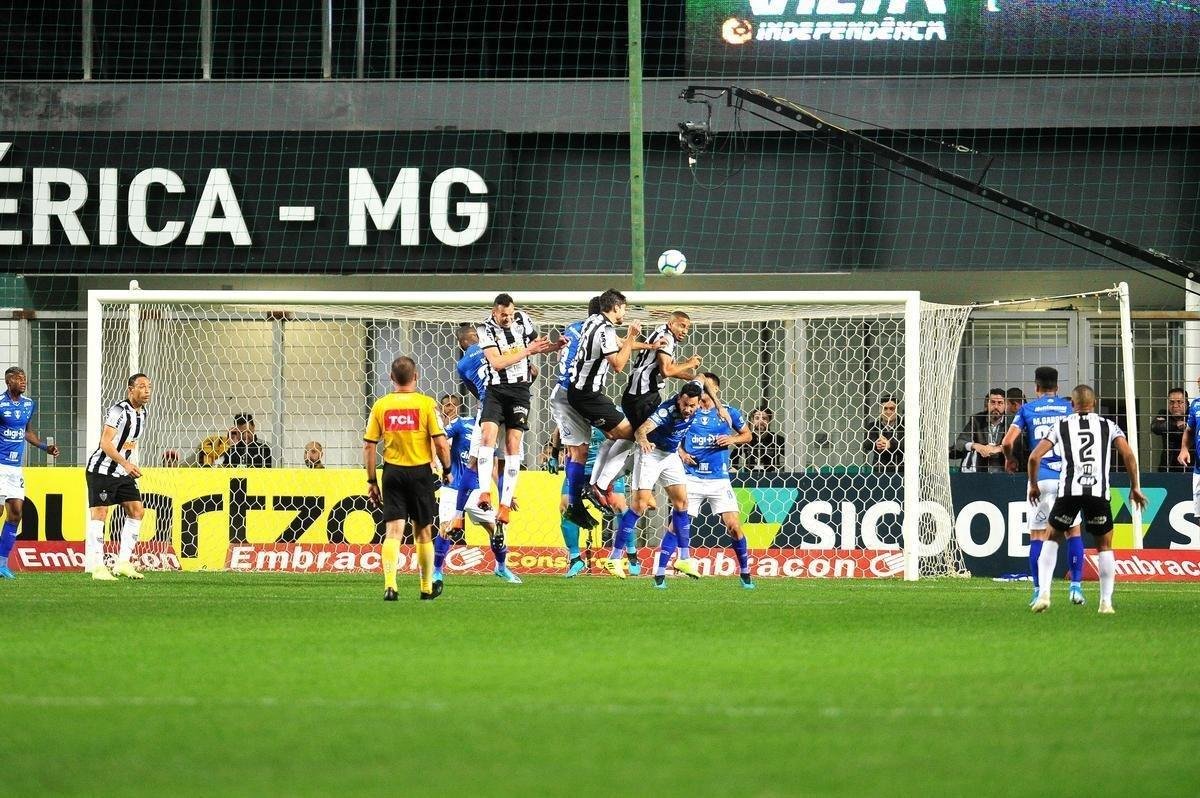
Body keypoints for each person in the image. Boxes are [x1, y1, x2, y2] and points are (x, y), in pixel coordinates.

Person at [1028, 384, 1146, 614]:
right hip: (1098, 493)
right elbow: (1129, 454)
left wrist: (1033, 485)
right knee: (1104, 546)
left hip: (1069, 492)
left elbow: (1034, 457)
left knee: (1051, 538)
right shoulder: (1108, 425)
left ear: (1072, 404)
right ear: (1095, 403)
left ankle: (1043, 593)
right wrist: (1135, 487)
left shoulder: (1061, 424)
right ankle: (1106, 603)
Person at [564, 289, 665, 520]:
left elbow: (618, 343)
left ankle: (596, 484)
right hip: (587, 396)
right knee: (632, 434)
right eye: (624, 309)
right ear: (616, 307)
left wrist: (650, 347)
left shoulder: (593, 321)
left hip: (581, 393)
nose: (625, 313)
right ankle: (599, 485)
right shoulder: (605, 329)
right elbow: (619, 364)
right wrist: (631, 335)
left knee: (614, 436)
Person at [364, 356, 451, 602]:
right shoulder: (426, 404)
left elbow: (369, 446)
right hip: (420, 473)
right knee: (423, 533)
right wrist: (447, 469)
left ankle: (390, 586)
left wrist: (372, 481)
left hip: (392, 472)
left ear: (391, 378)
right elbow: (441, 443)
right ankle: (425, 587)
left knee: (393, 532)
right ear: (416, 377)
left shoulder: (381, 405)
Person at [473, 293, 563, 524]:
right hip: (496, 389)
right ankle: (485, 492)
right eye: (504, 315)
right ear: (495, 312)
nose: (508, 319)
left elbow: (537, 346)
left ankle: (504, 505)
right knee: (487, 437)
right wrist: (528, 351)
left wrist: (554, 347)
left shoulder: (523, 319)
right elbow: (497, 362)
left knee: (513, 445)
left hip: (520, 391)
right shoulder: (485, 329)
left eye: (511, 314)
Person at [1003, 366, 1083, 605]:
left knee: (1037, 534)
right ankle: (1076, 588)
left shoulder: (1027, 409)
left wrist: (1010, 459)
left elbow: (1007, 442)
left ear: (1036, 387)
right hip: (1067, 479)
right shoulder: (1069, 409)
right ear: (1057, 388)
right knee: (1073, 531)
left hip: (1041, 478)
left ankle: (1039, 591)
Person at [679, 373, 755, 589]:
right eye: (702, 388)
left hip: (719, 479)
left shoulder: (728, 413)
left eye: (708, 388)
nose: (704, 392)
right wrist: (682, 454)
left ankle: (745, 572)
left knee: (734, 527)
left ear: (716, 390)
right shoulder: (689, 411)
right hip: (691, 476)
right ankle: (668, 569)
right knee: (678, 526)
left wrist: (732, 439)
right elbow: (673, 436)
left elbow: (747, 435)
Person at [632, 381, 706, 587]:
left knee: (682, 506)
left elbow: (701, 377)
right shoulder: (667, 411)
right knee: (640, 505)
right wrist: (644, 440)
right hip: (651, 452)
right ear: (679, 398)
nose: (688, 409)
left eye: (692, 405)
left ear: (699, 402)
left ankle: (673, 565)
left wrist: (681, 452)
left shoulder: (703, 405)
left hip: (674, 457)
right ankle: (624, 556)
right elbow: (642, 430)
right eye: (685, 404)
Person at [83, 373, 152, 581]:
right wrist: (126, 463)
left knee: (137, 511)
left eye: (149, 386)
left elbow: (128, 443)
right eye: (141, 386)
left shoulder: (143, 413)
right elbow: (106, 443)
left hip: (122, 472)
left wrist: (126, 464)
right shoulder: (118, 410)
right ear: (131, 390)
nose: (147, 390)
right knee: (100, 514)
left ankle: (123, 563)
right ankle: (97, 567)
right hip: (102, 470)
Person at [548, 295, 605, 532]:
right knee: (624, 432)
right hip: (575, 394)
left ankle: (579, 499)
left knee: (577, 451)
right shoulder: (600, 331)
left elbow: (560, 354)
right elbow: (617, 360)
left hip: (567, 392)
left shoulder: (572, 328)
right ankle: (583, 496)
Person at [0, 367, 60, 579]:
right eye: (18, 378)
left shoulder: (28, 404)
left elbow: (27, 431)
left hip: (15, 470)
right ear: (8, 382)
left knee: (16, 513)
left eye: (24, 378)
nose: (23, 381)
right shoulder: (0, 403)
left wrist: (45, 447)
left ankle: (2, 564)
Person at [954, 388, 1008, 473]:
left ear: (1006, 405)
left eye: (1000, 403)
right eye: (993, 402)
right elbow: (960, 442)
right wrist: (976, 446)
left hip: (1003, 470)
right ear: (987, 404)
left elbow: (1018, 445)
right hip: (980, 470)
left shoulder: (1011, 421)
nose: (996, 407)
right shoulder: (977, 420)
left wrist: (998, 448)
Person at [734, 407, 785, 471]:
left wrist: (783, 470)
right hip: (749, 477)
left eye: (764, 418)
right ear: (753, 421)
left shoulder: (777, 439)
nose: (760, 421)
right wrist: (734, 470)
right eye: (757, 418)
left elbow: (790, 458)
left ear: (770, 421)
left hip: (772, 477)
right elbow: (733, 457)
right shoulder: (746, 438)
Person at [1150, 387, 1188, 472]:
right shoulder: (1163, 413)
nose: (1175, 406)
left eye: (1179, 402)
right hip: (1167, 466)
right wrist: (1176, 425)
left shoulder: (1192, 415)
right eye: (1171, 402)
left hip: (1190, 466)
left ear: (1187, 403)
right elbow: (1155, 427)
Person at [863, 395, 903, 472]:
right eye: (885, 408)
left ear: (897, 410)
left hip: (901, 470)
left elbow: (907, 444)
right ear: (880, 410)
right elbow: (866, 443)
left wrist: (890, 444)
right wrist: (877, 443)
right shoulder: (873, 426)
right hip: (879, 470)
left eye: (892, 409)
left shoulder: (904, 425)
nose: (888, 412)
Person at [1005, 387, 1029, 469]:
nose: (1005, 408)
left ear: (1015, 405)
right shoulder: (1034, 416)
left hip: (1019, 466)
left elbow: (1007, 442)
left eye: (1006, 404)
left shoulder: (1012, 421)